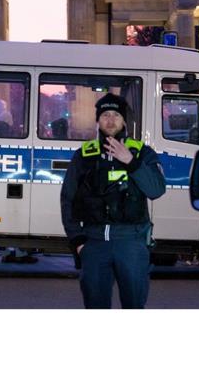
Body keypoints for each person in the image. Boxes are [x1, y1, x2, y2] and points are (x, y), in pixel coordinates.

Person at [60, 92, 166, 309]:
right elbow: (67, 199)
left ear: (124, 120)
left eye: (115, 115)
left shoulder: (142, 153)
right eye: (105, 115)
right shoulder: (85, 155)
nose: (110, 120)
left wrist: (131, 162)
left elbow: (156, 190)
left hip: (132, 243)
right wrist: (78, 242)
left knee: (134, 306)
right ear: (98, 120)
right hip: (94, 243)